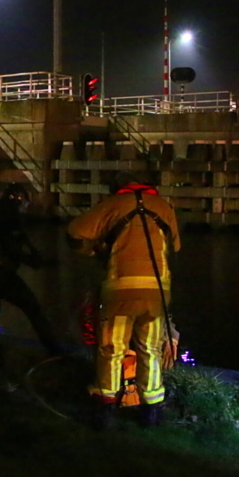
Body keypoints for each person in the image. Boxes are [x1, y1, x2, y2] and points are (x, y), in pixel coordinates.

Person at [66, 171, 181, 428]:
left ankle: (104, 410)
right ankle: (151, 410)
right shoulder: (165, 207)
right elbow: (174, 247)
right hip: (156, 294)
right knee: (150, 350)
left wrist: (92, 250)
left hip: (119, 292)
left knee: (111, 350)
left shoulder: (112, 205)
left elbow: (74, 231)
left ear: (119, 187)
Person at [0, 183, 61, 380]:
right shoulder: (9, 217)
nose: (25, 208)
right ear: (19, 200)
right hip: (1, 274)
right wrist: (35, 261)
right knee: (33, 309)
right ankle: (55, 351)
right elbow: (11, 248)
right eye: (25, 204)